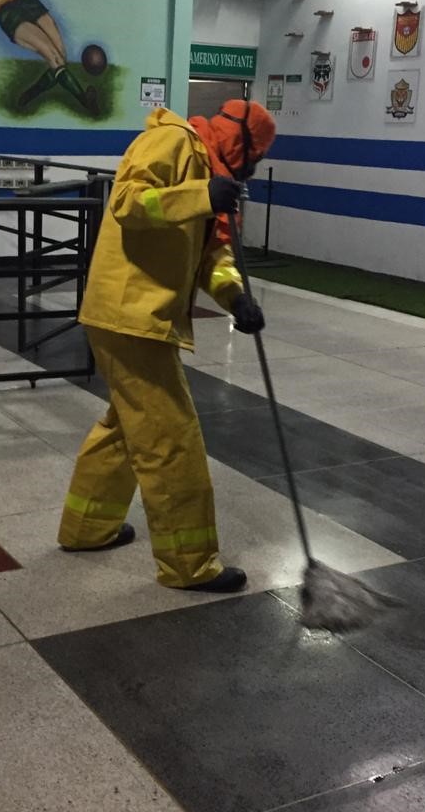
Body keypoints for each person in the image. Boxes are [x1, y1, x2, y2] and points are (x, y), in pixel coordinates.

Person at [57, 99, 277, 592]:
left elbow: (211, 255)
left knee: (127, 426)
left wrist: (236, 296)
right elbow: (130, 202)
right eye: (256, 155)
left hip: (131, 316)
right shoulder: (173, 141)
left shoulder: (211, 173)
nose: (254, 167)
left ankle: (87, 526)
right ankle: (189, 564)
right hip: (130, 315)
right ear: (240, 141)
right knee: (171, 439)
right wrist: (202, 194)